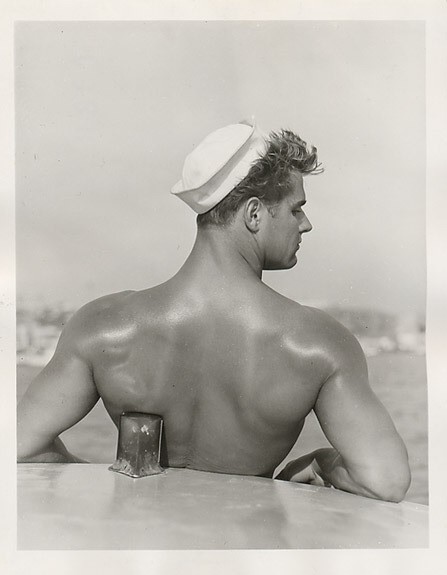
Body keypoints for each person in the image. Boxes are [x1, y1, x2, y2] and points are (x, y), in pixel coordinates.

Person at [17, 121, 411, 502]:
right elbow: (385, 481)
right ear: (254, 214)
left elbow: (20, 446)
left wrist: (99, 482)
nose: (305, 224)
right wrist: (323, 462)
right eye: (296, 209)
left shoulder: (102, 326)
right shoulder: (317, 344)